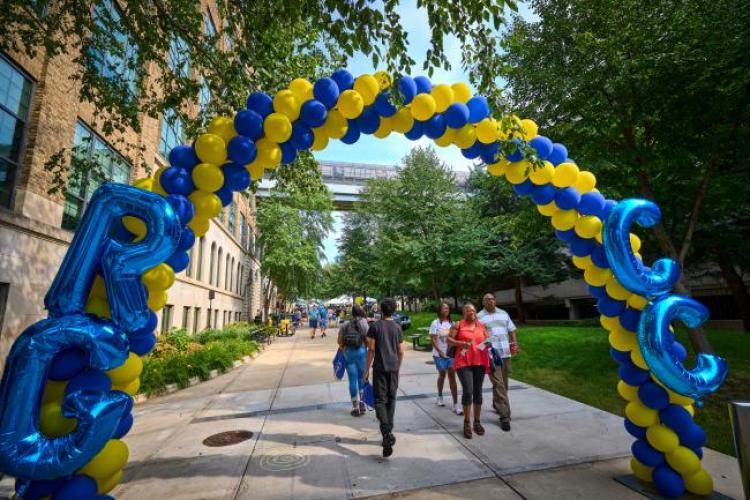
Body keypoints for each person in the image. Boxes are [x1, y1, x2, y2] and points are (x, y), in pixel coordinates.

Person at [365, 297, 404, 458]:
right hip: (393, 368)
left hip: (380, 368)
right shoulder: (397, 327)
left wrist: (366, 369)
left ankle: (386, 432)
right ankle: (388, 431)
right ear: (394, 310)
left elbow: (371, 349)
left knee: (380, 400)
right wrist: (398, 367)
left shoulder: (374, 327)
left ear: (381, 309)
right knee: (391, 398)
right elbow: (401, 351)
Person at [448, 303, 490, 439]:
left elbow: (486, 340)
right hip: (463, 362)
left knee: (478, 391)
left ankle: (477, 422)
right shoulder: (458, 324)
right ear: (463, 313)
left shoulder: (481, 326)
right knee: (468, 390)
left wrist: (488, 343)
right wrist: (461, 344)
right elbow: (449, 340)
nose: (471, 311)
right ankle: (467, 422)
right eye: (467, 310)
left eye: (473, 309)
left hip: (480, 361)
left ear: (476, 312)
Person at [478, 293, 517, 431]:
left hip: (505, 353)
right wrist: (482, 348)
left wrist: (514, 344)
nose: (490, 301)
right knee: (499, 383)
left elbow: (511, 330)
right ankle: (505, 416)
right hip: (491, 355)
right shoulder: (479, 317)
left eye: (492, 299)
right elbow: (478, 338)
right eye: (487, 299)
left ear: (495, 301)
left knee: (503, 383)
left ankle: (496, 403)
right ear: (483, 302)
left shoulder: (504, 313)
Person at [337, 304, 370, 416]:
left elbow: (339, 341)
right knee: (362, 378)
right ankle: (362, 402)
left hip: (349, 354)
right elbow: (368, 341)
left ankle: (355, 407)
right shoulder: (364, 323)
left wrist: (343, 348)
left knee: (352, 379)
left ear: (352, 313)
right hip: (361, 353)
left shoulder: (345, 324)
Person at [429, 303, 461, 415]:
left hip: (450, 355)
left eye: (447, 308)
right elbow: (432, 340)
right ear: (439, 310)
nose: (446, 310)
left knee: (452, 376)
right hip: (439, 354)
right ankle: (440, 396)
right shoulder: (435, 323)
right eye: (444, 308)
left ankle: (456, 404)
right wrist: (440, 352)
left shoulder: (452, 323)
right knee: (442, 374)